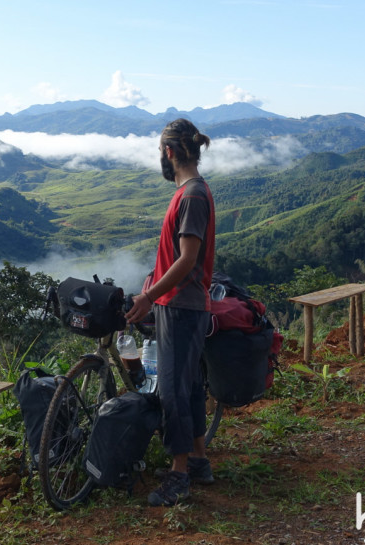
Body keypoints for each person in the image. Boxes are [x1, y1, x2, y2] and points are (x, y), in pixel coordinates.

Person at [125, 118, 215, 507]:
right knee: (190, 386)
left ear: (169, 152)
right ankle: (198, 460)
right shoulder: (190, 192)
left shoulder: (191, 196)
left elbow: (187, 259)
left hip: (179, 305)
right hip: (180, 304)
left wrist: (148, 298)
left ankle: (178, 476)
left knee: (174, 393)